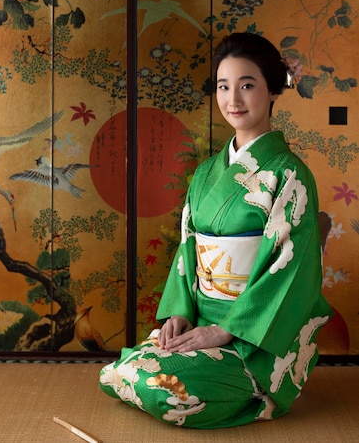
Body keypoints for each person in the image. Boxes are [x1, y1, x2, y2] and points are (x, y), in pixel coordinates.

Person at [99, 32, 333, 429]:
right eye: (224, 86)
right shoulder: (207, 171)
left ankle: (260, 392)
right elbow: (187, 249)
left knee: (164, 389)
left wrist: (225, 331)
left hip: (255, 337)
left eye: (247, 86)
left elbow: (293, 271)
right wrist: (179, 314)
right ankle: (208, 375)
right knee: (118, 372)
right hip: (202, 325)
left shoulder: (289, 174)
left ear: (273, 90)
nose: (233, 100)